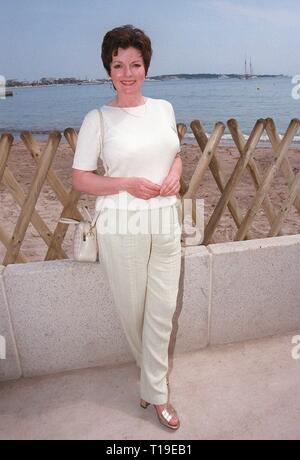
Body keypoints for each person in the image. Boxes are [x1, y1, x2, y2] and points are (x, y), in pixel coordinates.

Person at [72, 24, 183, 431]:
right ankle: (156, 388)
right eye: (118, 65)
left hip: (167, 220)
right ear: (108, 69)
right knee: (134, 312)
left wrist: (175, 172)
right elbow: (81, 178)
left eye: (135, 64)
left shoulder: (164, 109)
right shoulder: (97, 119)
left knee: (163, 309)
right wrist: (127, 184)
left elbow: (175, 152)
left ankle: (153, 388)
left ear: (146, 67)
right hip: (121, 225)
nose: (127, 73)